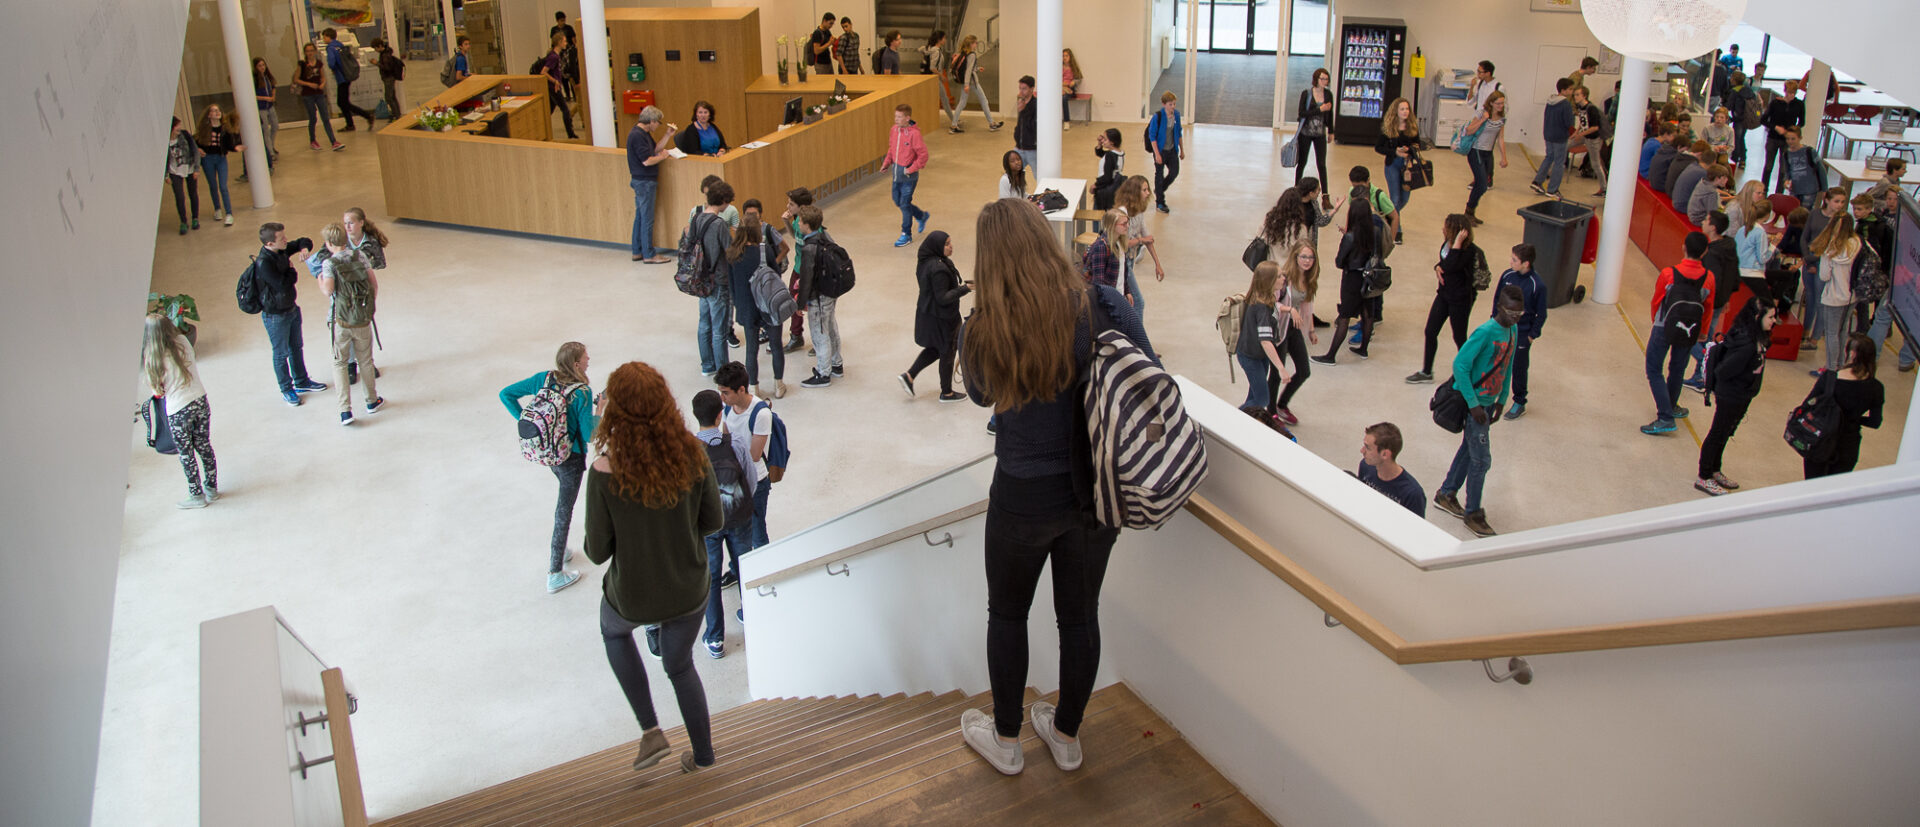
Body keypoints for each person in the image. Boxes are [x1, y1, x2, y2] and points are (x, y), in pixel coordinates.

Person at [956, 198, 1149, 777]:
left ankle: (1008, 740)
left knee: (1007, 615)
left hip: (1020, 494)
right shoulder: (1099, 303)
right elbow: (1146, 366)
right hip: (1093, 493)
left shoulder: (985, 328)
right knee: (1080, 617)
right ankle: (1066, 735)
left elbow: (981, 396)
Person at [585, 361, 721, 776]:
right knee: (680, 666)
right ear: (666, 404)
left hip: (634, 596)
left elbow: (597, 552)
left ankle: (650, 730)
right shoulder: (694, 454)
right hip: (689, 590)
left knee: (612, 630)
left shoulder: (605, 471)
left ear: (615, 412)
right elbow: (713, 522)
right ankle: (703, 758)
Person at [499, 342, 599, 593]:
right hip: (571, 458)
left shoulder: (544, 379)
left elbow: (506, 394)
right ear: (576, 364)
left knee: (562, 505)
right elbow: (589, 434)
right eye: (585, 357)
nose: (589, 359)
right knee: (563, 512)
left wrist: (529, 425)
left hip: (548, 453)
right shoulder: (582, 393)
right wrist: (602, 408)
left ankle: (561, 547)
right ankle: (555, 572)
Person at [1434, 285, 1524, 538]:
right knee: (1481, 460)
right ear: (1499, 308)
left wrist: (1502, 399)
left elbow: (1508, 365)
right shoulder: (1485, 332)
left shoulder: (1512, 330)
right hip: (1475, 406)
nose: (1515, 318)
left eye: (1520, 314)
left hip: (1488, 404)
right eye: (1511, 313)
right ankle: (1473, 513)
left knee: (1469, 448)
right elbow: (1460, 365)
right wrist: (1474, 405)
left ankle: (1446, 493)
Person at [690, 388, 753, 659]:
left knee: (712, 578)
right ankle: (752, 616)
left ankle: (715, 638)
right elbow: (749, 478)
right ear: (720, 415)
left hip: (708, 526)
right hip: (738, 516)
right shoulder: (735, 442)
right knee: (744, 568)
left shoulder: (689, 452)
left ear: (696, 417)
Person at [1694, 300, 1776, 496]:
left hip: (1742, 396)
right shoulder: (1746, 344)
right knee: (1718, 433)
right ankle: (1704, 476)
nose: (1774, 321)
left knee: (1725, 433)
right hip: (1732, 396)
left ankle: (1715, 469)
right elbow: (1724, 371)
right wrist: (1741, 384)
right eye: (1771, 317)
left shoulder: (1757, 338)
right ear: (1757, 317)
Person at [1641, 232, 1716, 435]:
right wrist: (1703, 332)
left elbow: (1657, 301)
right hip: (1689, 329)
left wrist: (1656, 321)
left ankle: (1664, 416)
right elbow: (1708, 308)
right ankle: (1672, 406)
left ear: (1683, 247)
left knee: (1654, 369)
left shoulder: (1669, 274)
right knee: (1678, 367)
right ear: (1705, 251)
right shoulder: (1709, 278)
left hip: (1663, 326)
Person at [141, 314, 218, 509]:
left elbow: (157, 392)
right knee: (204, 445)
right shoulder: (183, 341)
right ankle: (212, 488)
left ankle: (196, 496)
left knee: (186, 454)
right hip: (200, 400)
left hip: (178, 410)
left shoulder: (153, 357)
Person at [317, 222, 383, 425]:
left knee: (340, 363)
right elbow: (373, 284)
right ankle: (371, 400)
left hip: (341, 320)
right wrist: (367, 308)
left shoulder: (329, 264)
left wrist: (320, 280)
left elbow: (329, 290)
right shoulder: (360, 256)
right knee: (365, 359)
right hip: (362, 318)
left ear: (329, 243)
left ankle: (345, 410)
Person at [252, 223, 326, 406]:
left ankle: (301, 381)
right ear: (270, 243)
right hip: (275, 316)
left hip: (291, 309)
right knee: (280, 353)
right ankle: (287, 389)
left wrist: (304, 248)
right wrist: (292, 270)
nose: (286, 240)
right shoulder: (264, 263)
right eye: (281, 239)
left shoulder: (281, 250)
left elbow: (304, 240)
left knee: (296, 347)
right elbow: (283, 284)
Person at [1407, 214, 1482, 384]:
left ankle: (1468, 372)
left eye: (1446, 227)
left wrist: (1456, 246)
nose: (1443, 229)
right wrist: (1437, 267)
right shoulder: (1447, 244)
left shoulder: (1468, 250)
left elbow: (1451, 265)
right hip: (1444, 295)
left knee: (1459, 336)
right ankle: (1427, 371)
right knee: (1430, 331)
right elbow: (1443, 263)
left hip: (1460, 299)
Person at [899, 230, 970, 402]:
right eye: (946, 244)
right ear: (937, 247)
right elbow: (943, 298)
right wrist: (966, 288)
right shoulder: (938, 269)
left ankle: (909, 376)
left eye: (950, 242)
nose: (950, 246)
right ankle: (947, 393)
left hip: (929, 313)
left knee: (936, 348)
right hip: (942, 318)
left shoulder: (926, 262)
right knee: (947, 352)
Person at [1801, 335, 1885, 479]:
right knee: (1834, 491)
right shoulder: (1876, 387)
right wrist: (1855, 419)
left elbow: (1807, 405)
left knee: (1812, 488)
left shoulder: (1830, 379)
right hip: (1848, 446)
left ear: (1852, 354)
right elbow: (1875, 422)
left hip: (1821, 441)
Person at [715, 362, 775, 560]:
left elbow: (754, 456)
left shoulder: (761, 413)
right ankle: (737, 570)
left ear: (741, 390)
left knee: (757, 533)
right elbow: (725, 437)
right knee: (736, 534)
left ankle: (764, 570)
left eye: (725, 393)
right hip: (734, 479)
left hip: (755, 482)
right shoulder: (728, 408)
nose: (722, 398)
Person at [728, 202, 787, 397]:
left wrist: (738, 305)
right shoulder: (765, 251)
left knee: (751, 350)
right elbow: (776, 274)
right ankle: (778, 385)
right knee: (776, 345)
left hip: (746, 307)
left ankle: (753, 387)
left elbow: (731, 284)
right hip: (768, 305)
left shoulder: (733, 253)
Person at [1313, 198, 1380, 365]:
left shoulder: (1350, 237)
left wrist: (1347, 240)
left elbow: (1339, 261)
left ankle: (1330, 356)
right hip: (1369, 277)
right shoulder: (1376, 231)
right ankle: (1363, 349)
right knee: (1368, 314)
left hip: (1352, 279)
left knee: (1344, 317)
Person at [1491, 244, 1546, 420]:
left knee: (1518, 367)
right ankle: (1493, 395)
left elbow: (1541, 314)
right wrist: (1494, 320)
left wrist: (1531, 335)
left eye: (1514, 260)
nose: (1511, 262)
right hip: (1501, 327)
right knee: (1496, 361)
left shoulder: (1537, 285)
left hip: (1521, 333)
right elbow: (1497, 299)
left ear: (1526, 263)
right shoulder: (1507, 275)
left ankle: (1519, 401)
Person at [688, 181, 736, 377]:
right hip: (718, 279)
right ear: (723, 201)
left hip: (700, 279)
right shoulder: (719, 225)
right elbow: (730, 251)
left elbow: (690, 243)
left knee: (704, 323)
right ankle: (722, 371)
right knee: (719, 329)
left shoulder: (696, 218)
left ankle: (707, 365)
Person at [793, 206, 844, 388]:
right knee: (830, 327)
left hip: (818, 297)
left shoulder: (809, 248)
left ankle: (823, 373)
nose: (797, 224)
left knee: (819, 333)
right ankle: (837, 364)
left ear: (806, 225)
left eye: (799, 221)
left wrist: (800, 304)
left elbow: (806, 279)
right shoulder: (825, 238)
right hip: (830, 292)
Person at [1271, 241, 1319, 424]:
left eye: (1311, 257)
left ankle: (1282, 405)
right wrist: (1289, 310)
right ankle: (1271, 412)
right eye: (1304, 257)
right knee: (1277, 372)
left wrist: (1311, 330)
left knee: (1304, 371)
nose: (1308, 261)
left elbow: (1307, 305)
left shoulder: (1308, 279)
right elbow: (1270, 302)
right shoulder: (1283, 278)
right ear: (1295, 257)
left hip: (1294, 328)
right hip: (1281, 327)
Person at [1237, 261, 1293, 414]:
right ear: (1269, 280)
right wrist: (1281, 368)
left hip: (1257, 356)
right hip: (1251, 356)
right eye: (1280, 276)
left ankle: (1246, 419)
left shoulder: (1263, 297)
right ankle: (1235, 417)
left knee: (1255, 395)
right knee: (1262, 399)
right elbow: (1265, 341)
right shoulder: (1262, 307)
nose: (1284, 278)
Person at [1808, 212, 1859, 372]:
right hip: (1852, 295)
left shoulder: (1831, 248)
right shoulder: (1857, 243)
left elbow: (1824, 276)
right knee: (1843, 330)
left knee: (1831, 334)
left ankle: (1831, 369)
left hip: (1834, 296)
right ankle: (1841, 364)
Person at [627, 106, 676, 264]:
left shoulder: (642, 133)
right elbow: (647, 160)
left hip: (641, 181)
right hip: (645, 181)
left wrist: (667, 135)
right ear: (652, 121)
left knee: (640, 217)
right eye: (658, 123)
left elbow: (654, 150)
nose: (658, 126)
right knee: (647, 219)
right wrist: (663, 157)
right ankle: (649, 254)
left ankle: (637, 250)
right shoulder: (638, 136)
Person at [1799, 187, 1847, 341]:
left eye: (1842, 202)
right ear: (1827, 200)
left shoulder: (1840, 220)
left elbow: (1834, 246)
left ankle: (1816, 335)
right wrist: (1807, 257)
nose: (1839, 205)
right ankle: (1805, 330)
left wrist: (1815, 260)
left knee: (1821, 300)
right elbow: (1804, 237)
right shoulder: (1815, 214)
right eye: (1836, 201)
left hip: (1824, 261)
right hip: (1810, 259)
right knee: (1810, 296)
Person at [1115, 176, 1166, 319]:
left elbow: (1148, 237)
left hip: (1129, 261)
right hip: (1121, 261)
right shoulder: (1122, 212)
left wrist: (1158, 264)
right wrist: (1141, 240)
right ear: (1134, 192)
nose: (1148, 193)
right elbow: (1121, 243)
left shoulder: (1139, 211)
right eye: (1144, 190)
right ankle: (1137, 337)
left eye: (1148, 189)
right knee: (1138, 302)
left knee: (1130, 300)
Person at [881, 104, 931, 248]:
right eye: (895, 116)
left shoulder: (914, 134)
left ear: (907, 118)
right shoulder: (894, 130)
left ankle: (906, 234)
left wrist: (911, 169)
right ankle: (921, 216)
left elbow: (923, 155)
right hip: (897, 174)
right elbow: (891, 149)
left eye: (899, 117)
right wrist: (886, 163)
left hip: (909, 177)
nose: (896, 119)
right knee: (897, 201)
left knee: (904, 204)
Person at [779, 187, 817, 353]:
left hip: (811, 271)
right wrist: (786, 222)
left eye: (791, 204)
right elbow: (795, 236)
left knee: (814, 307)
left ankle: (819, 340)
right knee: (794, 302)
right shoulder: (797, 221)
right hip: (798, 267)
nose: (788, 206)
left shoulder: (814, 225)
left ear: (802, 207)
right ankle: (796, 336)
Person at [1462, 90, 1508, 226]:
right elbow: (1469, 130)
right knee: (1481, 184)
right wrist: (1483, 120)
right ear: (1491, 103)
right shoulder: (1482, 114)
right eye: (1498, 103)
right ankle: (1468, 212)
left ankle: (1470, 212)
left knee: (1484, 184)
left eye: (1502, 103)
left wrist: (1504, 157)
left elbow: (1500, 138)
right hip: (1476, 151)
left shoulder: (1501, 118)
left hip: (1488, 153)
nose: (1501, 106)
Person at [1376, 97, 1420, 238]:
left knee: (1405, 198)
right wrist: (1394, 151)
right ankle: (1397, 230)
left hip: (1408, 167)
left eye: (1407, 109)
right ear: (1396, 111)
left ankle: (1386, 216)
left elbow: (1418, 145)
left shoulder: (1412, 128)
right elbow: (1378, 147)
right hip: (1392, 165)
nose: (1405, 112)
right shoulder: (1388, 128)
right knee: (1395, 198)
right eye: (1402, 109)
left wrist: (1410, 150)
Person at [1358, 423, 1424, 516]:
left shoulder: (1412, 494)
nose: (1362, 451)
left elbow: (1415, 528)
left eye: (1368, 448)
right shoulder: (1366, 467)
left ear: (1385, 454)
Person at [195, 104, 243, 226]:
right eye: (214, 111)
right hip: (207, 159)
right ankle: (217, 209)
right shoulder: (204, 129)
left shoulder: (224, 129)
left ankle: (229, 213)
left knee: (223, 186)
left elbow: (229, 145)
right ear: (209, 114)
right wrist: (198, 149)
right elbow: (195, 141)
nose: (217, 112)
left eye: (218, 110)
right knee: (213, 185)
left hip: (221, 159)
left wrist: (236, 148)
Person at [321, 29, 375, 132]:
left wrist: (332, 68)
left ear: (328, 37)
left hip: (341, 77)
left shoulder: (330, 48)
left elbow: (331, 63)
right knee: (343, 102)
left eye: (324, 37)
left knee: (342, 102)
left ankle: (366, 116)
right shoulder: (340, 45)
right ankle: (351, 123)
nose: (324, 39)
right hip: (347, 75)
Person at [1530, 78, 1576, 198]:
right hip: (1560, 136)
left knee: (1549, 157)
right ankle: (1552, 189)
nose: (1572, 92)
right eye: (1570, 89)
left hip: (1548, 134)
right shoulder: (1565, 103)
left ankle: (1537, 182)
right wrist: (1572, 132)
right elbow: (1568, 122)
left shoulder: (1550, 101)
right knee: (1559, 162)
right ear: (1563, 90)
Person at [948, 35, 1000, 133]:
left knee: (962, 103)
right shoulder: (971, 55)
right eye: (975, 43)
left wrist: (977, 68)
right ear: (971, 44)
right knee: (984, 101)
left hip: (966, 82)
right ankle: (992, 124)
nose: (976, 44)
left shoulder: (963, 53)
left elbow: (968, 68)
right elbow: (968, 71)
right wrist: (967, 84)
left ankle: (953, 126)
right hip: (972, 82)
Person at [1761, 80, 1804, 193]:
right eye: (1789, 92)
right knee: (1768, 166)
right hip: (1773, 138)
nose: (1791, 95)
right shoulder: (1775, 103)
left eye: (1793, 93)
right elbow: (1764, 120)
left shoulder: (1799, 104)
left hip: (1787, 140)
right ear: (1785, 91)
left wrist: (1793, 130)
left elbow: (1802, 122)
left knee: (1784, 169)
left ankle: (1779, 192)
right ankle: (1763, 189)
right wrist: (1775, 127)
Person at [295, 43, 341, 151]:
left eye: (311, 50)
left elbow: (323, 77)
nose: (310, 53)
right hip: (308, 95)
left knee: (325, 117)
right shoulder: (302, 64)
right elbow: (296, 79)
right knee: (313, 118)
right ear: (305, 53)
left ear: (315, 51)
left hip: (319, 93)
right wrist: (309, 84)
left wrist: (322, 84)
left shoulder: (319, 64)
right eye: (307, 51)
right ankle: (313, 140)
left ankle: (333, 141)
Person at [1147, 92, 1185, 214]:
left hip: (1172, 150)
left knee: (1174, 172)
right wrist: (1157, 154)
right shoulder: (1157, 117)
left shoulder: (1177, 116)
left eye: (1174, 104)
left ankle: (1159, 190)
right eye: (1170, 104)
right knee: (1159, 175)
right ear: (1164, 104)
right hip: (1160, 151)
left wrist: (1182, 150)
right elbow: (1152, 136)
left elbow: (1178, 133)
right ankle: (1160, 202)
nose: (1173, 106)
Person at [1297, 69, 1334, 193]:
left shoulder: (1328, 94)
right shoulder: (1306, 93)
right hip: (1305, 134)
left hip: (1320, 134)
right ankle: (1297, 190)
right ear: (1316, 79)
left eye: (1326, 79)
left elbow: (1330, 113)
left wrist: (1331, 131)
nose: (1325, 81)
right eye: (1322, 79)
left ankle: (1325, 194)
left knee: (1322, 165)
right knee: (1302, 162)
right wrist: (1320, 109)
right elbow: (1302, 113)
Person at [165, 117, 201, 235]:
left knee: (193, 193)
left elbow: (195, 151)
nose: (179, 128)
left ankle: (195, 218)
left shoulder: (185, 135)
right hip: (174, 172)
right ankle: (183, 221)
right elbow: (163, 160)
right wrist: (166, 175)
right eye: (177, 126)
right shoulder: (165, 141)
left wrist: (196, 168)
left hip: (189, 168)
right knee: (179, 197)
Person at [1568, 85, 1606, 192]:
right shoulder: (1580, 107)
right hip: (1584, 136)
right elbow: (1583, 121)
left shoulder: (1591, 109)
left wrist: (1581, 134)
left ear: (1584, 96)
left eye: (1577, 95)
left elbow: (1595, 127)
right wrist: (1576, 132)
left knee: (1596, 164)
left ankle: (1604, 188)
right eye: (1574, 95)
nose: (1575, 97)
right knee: (1565, 145)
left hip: (1593, 139)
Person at [1779, 127, 1827, 210]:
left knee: (1805, 212)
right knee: (1793, 211)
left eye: (1793, 139)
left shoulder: (1810, 152)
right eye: (1787, 139)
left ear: (1800, 138)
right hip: (1795, 189)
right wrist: (1786, 180)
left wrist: (1825, 189)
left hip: (1809, 190)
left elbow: (1821, 170)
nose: (1790, 141)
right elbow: (1787, 171)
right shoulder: (1786, 154)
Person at [541, 34, 579, 139]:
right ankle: (571, 134)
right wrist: (555, 81)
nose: (566, 43)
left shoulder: (556, 55)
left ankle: (542, 129)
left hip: (553, 87)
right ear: (559, 42)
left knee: (549, 110)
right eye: (564, 41)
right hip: (553, 88)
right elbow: (544, 72)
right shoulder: (554, 57)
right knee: (565, 109)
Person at [1080, 210, 1125, 291]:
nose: (1127, 226)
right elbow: (1098, 283)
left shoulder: (1120, 242)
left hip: (1117, 292)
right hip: (1109, 296)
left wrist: (1127, 291)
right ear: (1112, 226)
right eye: (1123, 224)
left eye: (1128, 222)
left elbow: (1123, 269)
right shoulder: (1101, 246)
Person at [249, 58, 280, 170]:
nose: (262, 67)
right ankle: (270, 152)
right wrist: (266, 98)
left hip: (270, 106)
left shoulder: (267, 77)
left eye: (263, 65)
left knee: (275, 126)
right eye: (259, 66)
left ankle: (270, 145)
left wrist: (273, 96)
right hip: (261, 107)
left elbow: (273, 87)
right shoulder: (255, 79)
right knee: (265, 129)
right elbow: (252, 95)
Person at [923, 31, 957, 129]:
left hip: (931, 79)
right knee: (945, 100)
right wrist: (941, 75)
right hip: (935, 79)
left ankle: (954, 119)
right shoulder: (936, 51)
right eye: (944, 38)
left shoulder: (930, 49)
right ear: (939, 40)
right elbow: (932, 67)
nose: (945, 40)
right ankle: (954, 120)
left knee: (938, 100)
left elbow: (921, 50)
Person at [1725, 72, 1757, 169]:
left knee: (1736, 139)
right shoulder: (1749, 90)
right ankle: (1743, 159)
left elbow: (1729, 106)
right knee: (1741, 138)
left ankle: (1735, 158)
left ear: (1734, 80)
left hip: (1738, 118)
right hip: (1747, 118)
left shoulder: (1735, 91)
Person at [370, 40, 404, 126]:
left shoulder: (385, 55)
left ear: (380, 46)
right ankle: (397, 114)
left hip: (388, 78)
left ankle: (396, 115)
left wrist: (377, 63)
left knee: (389, 97)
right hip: (390, 78)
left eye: (375, 48)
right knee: (392, 96)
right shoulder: (386, 53)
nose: (375, 50)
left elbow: (387, 68)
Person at [1092, 128, 1125, 210]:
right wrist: (1099, 144)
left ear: (1112, 142)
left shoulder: (1110, 156)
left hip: (1105, 190)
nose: (1103, 141)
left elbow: (1107, 177)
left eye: (1105, 139)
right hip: (1114, 188)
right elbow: (1101, 153)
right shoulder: (1119, 153)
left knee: (1098, 214)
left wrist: (1095, 185)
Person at [1013, 75, 1038, 174]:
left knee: (1039, 176)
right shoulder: (1021, 102)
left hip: (1032, 150)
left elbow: (1034, 126)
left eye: (1024, 89)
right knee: (1013, 175)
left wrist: (1023, 111)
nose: (1021, 91)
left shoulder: (1036, 105)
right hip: (1019, 148)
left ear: (1032, 89)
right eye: (1020, 88)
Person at [1062, 49, 1082, 129]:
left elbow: (1078, 79)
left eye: (1066, 56)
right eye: (1063, 56)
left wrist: (1073, 82)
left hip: (1070, 88)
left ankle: (1066, 121)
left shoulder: (1073, 67)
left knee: (1064, 99)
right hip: (1060, 87)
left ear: (1070, 57)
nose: (1064, 58)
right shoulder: (1058, 67)